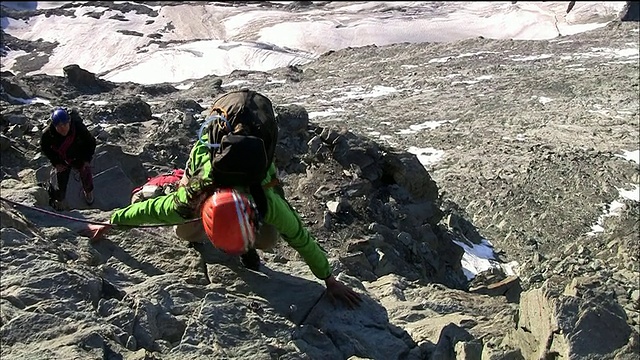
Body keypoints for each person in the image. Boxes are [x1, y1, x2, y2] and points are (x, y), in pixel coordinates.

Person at [86, 112, 362, 309]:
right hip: (205, 169)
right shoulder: (191, 196)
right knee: (184, 231)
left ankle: (249, 247)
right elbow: (153, 209)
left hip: (247, 182)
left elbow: (301, 238)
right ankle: (192, 207)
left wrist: (329, 279)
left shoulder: (267, 201)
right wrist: (112, 220)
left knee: (269, 239)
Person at [40, 107, 97, 209]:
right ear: (54, 126)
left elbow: (91, 142)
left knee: (86, 173)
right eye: (59, 126)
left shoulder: (78, 128)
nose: (62, 129)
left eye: (65, 125)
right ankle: (58, 198)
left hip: (79, 155)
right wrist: (56, 163)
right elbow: (45, 148)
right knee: (60, 184)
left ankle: (88, 191)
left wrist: (87, 160)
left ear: (69, 122)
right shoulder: (48, 134)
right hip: (62, 159)